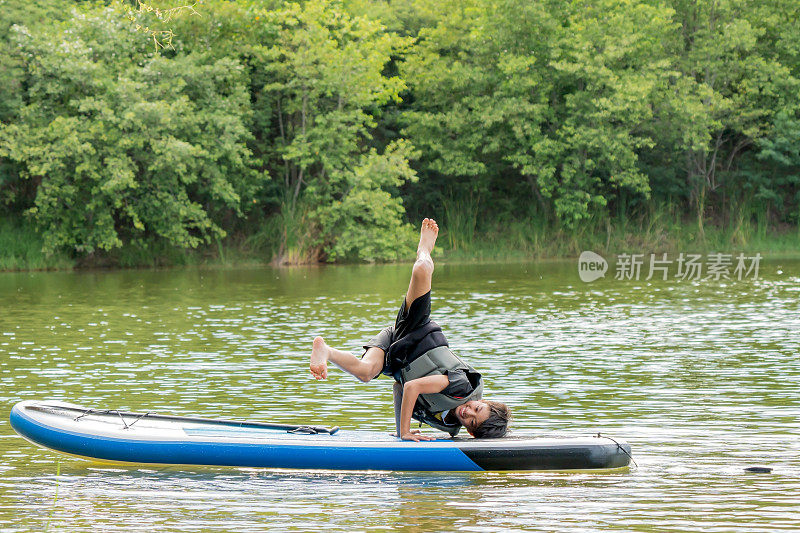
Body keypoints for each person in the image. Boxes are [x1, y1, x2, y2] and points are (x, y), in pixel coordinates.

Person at [309, 218, 510, 441]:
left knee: (366, 373)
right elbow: (413, 387)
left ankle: (325, 350)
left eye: (472, 420)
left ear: (470, 431)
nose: (468, 411)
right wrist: (405, 432)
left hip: (396, 352)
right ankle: (424, 247)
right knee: (422, 268)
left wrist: (399, 431)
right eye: (477, 409)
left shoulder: (448, 427)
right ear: (483, 402)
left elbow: (400, 388)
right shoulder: (462, 386)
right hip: (416, 333)